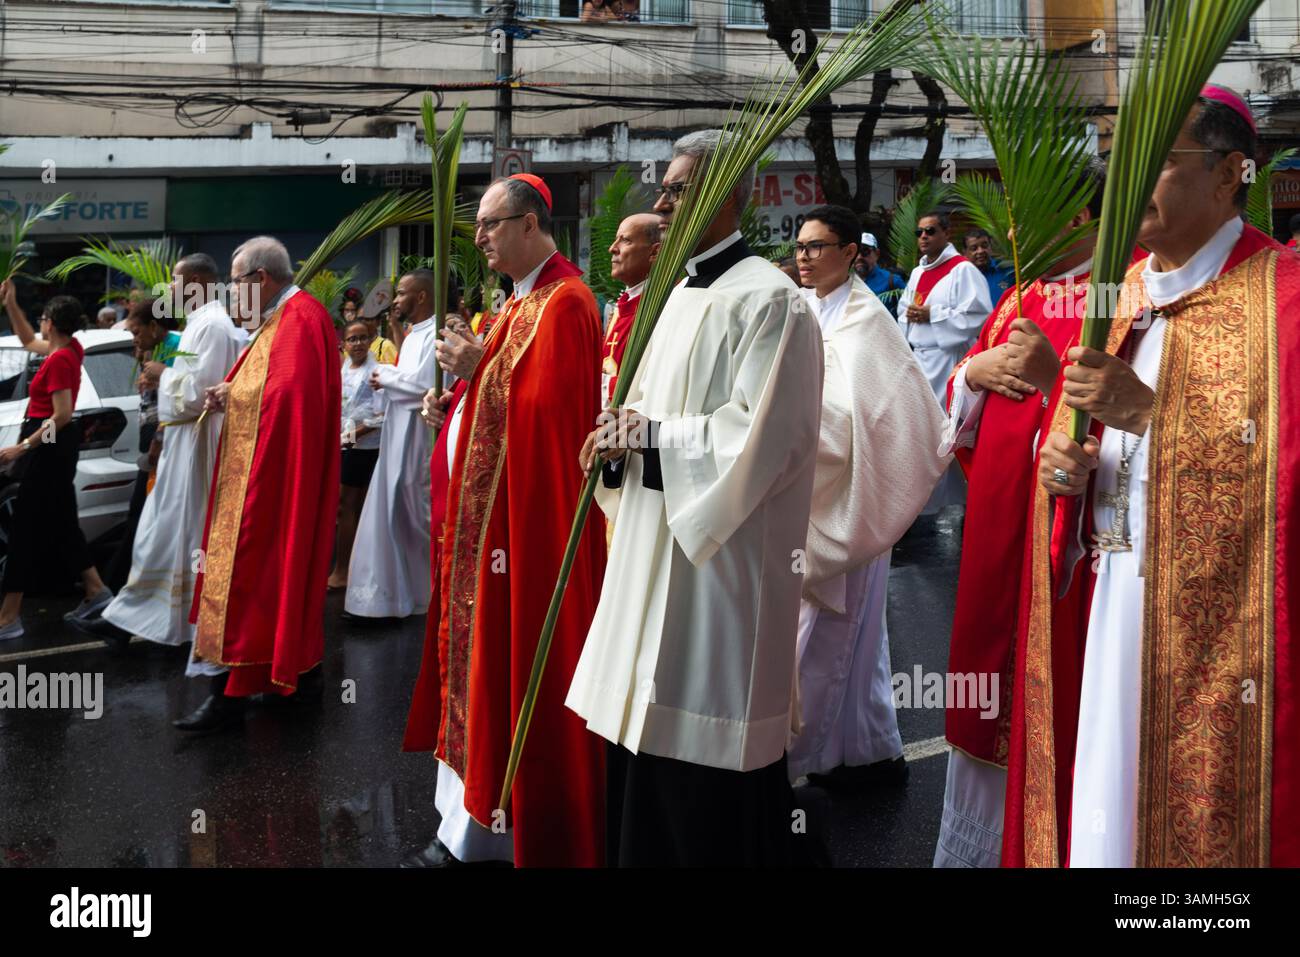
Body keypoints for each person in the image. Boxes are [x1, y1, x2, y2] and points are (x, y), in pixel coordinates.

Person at [1006, 85, 1300, 867]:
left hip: (1228, 637)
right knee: (1112, 816)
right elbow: (1092, 449)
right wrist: (1066, 465)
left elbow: (1286, 478)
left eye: (1156, 164)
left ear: (1229, 172)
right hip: (1117, 605)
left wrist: (1150, 414)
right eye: (1118, 163)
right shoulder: (1120, 295)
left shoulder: (1287, 298)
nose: (1125, 185)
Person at [570, 129, 824, 866]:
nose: (662, 201)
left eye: (677, 188)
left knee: (705, 781)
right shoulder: (673, 296)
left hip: (720, 566)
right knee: (641, 759)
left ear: (726, 194)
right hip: (652, 544)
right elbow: (640, 407)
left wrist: (649, 437)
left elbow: (765, 440)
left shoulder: (774, 302)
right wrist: (616, 440)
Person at [405, 173, 606, 867]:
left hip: (522, 537)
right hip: (482, 531)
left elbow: (552, 420)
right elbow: (497, 400)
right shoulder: (514, 305)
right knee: (478, 668)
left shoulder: (568, 303)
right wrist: (457, 398)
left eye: (491, 224)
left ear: (530, 224)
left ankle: (494, 834)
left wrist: (478, 364)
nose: (481, 238)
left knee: (510, 668)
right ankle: (460, 824)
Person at [932, 159, 1104, 868]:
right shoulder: (1021, 298)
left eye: (1027, 212)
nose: (1008, 230)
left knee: (1058, 700)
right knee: (984, 684)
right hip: (997, 529)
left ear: (1076, 215)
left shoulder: (1117, 296)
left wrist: (1051, 381)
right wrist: (971, 373)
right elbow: (960, 386)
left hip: (1062, 544)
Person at [787, 205, 948, 788]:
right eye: (799, 246)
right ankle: (865, 748)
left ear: (851, 253)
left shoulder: (866, 321)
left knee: (833, 629)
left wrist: (804, 430)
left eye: (817, 246)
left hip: (854, 493)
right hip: (802, 488)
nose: (804, 257)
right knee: (848, 637)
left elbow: (883, 413)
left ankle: (799, 757)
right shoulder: (798, 308)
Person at [176, 236, 340, 733]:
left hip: (272, 480)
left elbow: (292, 396)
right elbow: (272, 385)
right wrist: (235, 389)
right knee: (275, 578)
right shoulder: (283, 318)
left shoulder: (301, 318)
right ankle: (295, 678)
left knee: (255, 575)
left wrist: (240, 395)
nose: (231, 290)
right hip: (265, 469)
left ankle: (231, 694)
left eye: (236, 280)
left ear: (260, 279)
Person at [74, 254, 246, 655]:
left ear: (198, 282)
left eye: (175, 280)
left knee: (172, 534)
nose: (169, 289)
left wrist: (160, 375)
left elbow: (201, 395)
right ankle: (134, 617)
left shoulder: (214, 326)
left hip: (196, 445)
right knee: (159, 532)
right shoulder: (201, 324)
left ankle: (146, 621)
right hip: (183, 444)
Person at [0, 283, 112, 640]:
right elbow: (26, 341)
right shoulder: (67, 348)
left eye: (43, 319)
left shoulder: (63, 359)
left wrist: (24, 447)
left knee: (24, 531)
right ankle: (96, 591)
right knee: (63, 524)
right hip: (55, 448)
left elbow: (62, 416)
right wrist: (11, 305)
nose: (39, 324)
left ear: (52, 324)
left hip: (49, 447)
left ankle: (9, 617)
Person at [343, 270, 440, 619]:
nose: (396, 300)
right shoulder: (414, 334)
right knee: (396, 507)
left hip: (418, 433)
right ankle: (399, 593)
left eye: (401, 293)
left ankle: (426, 593)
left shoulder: (436, 333)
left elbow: (424, 386)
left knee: (416, 509)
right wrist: (393, 379)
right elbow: (409, 381)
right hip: (397, 431)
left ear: (423, 297)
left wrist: (386, 376)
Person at [897, 210, 992, 515]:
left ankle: (960, 499)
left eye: (930, 231)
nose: (923, 237)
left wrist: (932, 315)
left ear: (946, 234)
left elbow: (979, 315)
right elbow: (904, 308)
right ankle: (921, 500)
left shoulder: (963, 271)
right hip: (920, 360)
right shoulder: (918, 271)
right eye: (920, 232)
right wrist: (911, 315)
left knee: (945, 431)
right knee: (920, 429)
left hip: (949, 359)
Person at [101, 297, 181, 593]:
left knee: (141, 516)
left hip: (164, 446)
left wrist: (158, 444)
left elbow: (172, 405)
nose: (134, 338)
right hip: (152, 445)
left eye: (137, 332)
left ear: (154, 326)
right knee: (139, 516)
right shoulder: (154, 348)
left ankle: (116, 590)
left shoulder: (175, 348)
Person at [328, 320, 384, 590]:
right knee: (347, 508)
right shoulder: (343, 370)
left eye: (363, 338)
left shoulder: (377, 371)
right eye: (353, 339)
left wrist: (351, 436)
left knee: (348, 507)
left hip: (364, 448)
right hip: (346, 445)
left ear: (371, 340)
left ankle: (343, 571)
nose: (358, 343)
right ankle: (349, 569)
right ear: (344, 344)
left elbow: (381, 416)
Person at [603, 212, 661, 408]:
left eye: (625, 240)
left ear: (654, 253)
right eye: (615, 240)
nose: (612, 248)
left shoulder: (662, 307)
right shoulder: (623, 305)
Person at [964, 228, 1015, 307]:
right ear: (965, 252)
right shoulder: (961, 277)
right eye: (974, 248)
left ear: (990, 247)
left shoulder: (1008, 270)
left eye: (984, 246)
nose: (980, 251)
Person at [854, 232, 907, 301]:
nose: (859, 257)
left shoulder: (893, 281)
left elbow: (908, 308)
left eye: (865, 251)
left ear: (877, 254)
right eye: (856, 252)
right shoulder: (846, 282)